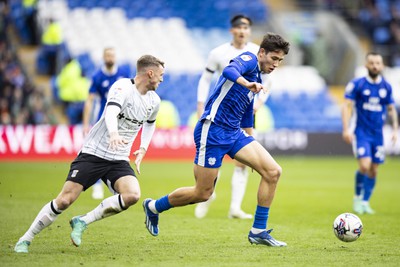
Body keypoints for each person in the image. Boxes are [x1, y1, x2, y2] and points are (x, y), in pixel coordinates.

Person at [143, 33, 290, 247]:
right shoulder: (248, 60)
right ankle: (154, 206)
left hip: (234, 132)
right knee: (202, 193)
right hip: (212, 130)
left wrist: (251, 141)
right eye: (274, 58)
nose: (276, 64)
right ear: (261, 53)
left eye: (280, 61)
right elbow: (229, 70)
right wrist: (246, 83)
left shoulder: (257, 78)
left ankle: (258, 231)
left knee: (273, 171)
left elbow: (247, 113)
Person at [14, 55, 165, 253]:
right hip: (94, 152)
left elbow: (150, 124)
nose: (162, 79)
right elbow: (111, 113)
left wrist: (143, 148)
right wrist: (113, 134)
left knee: (132, 195)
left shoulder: (154, 101)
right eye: (161, 75)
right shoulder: (122, 87)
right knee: (65, 200)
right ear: (150, 73)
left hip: (118, 158)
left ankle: (82, 221)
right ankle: (25, 239)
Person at [195, 14, 270, 220]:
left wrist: (258, 103)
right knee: (214, 160)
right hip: (220, 114)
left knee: (243, 162)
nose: (242, 30)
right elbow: (205, 79)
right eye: (239, 27)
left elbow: (268, 82)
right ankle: (207, 196)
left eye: (246, 27)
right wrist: (200, 105)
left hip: (245, 111)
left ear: (249, 31)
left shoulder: (258, 52)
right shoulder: (218, 53)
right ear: (232, 30)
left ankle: (235, 208)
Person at [342, 52, 398, 215]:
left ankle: (365, 202)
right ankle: (357, 197)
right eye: (372, 63)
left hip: (377, 135)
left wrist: (395, 129)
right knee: (365, 166)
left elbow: (391, 108)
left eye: (378, 63)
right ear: (366, 65)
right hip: (361, 132)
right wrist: (346, 129)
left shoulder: (386, 87)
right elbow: (346, 106)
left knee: (374, 169)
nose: (375, 66)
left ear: (382, 65)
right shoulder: (357, 85)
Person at [82, 47, 131, 199]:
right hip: (103, 119)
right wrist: (85, 123)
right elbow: (89, 100)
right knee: (98, 152)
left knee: (117, 152)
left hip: (120, 120)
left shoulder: (123, 74)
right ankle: (97, 185)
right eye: (107, 55)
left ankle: (115, 183)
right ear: (103, 57)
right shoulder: (97, 76)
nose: (110, 58)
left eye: (112, 55)